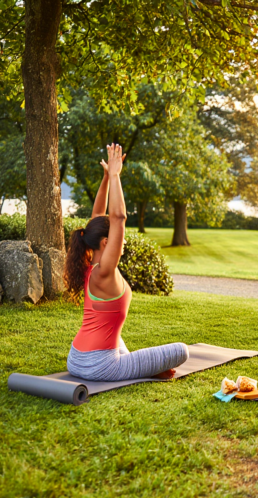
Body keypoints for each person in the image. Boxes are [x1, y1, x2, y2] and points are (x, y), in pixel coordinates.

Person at [63, 144, 188, 381]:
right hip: (99, 365)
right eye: (117, 237)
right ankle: (141, 369)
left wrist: (106, 179)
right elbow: (118, 217)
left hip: (77, 358)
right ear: (106, 242)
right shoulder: (105, 272)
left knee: (118, 339)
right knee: (182, 350)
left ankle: (142, 367)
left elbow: (98, 215)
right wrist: (115, 174)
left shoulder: (91, 264)